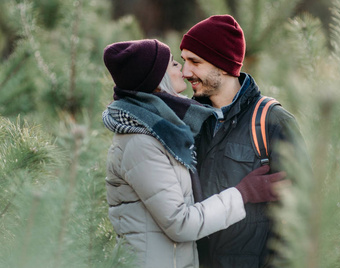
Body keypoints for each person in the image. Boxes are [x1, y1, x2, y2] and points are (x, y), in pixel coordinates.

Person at [101, 39, 285, 268]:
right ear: (158, 80)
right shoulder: (142, 143)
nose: (184, 72)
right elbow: (180, 224)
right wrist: (243, 193)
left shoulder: (166, 130)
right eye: (175, 64)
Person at [180, 15, 309, 267]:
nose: (186, 72)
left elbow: (304, 212)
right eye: (183, 61)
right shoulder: (188, 121)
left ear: (224, 65)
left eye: (195, 62)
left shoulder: (272, 121)